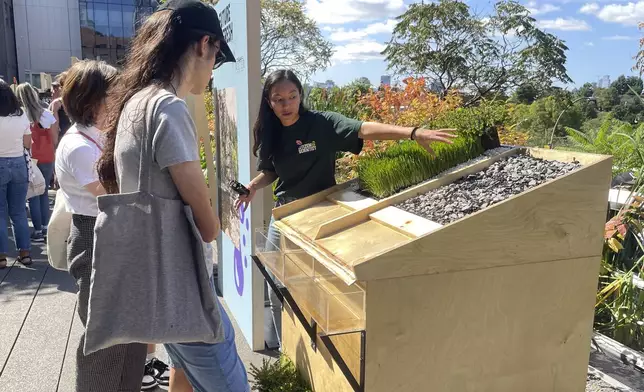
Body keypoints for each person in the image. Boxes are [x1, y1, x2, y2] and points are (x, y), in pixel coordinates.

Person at [235, 69, 456, 348]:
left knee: (318, 288)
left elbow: (362, 128)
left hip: (321, 214)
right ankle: (284, 350)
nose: (286, 105)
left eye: (292, 97)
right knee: (275, 283)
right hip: (284, 216)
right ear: (269, 102)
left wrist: (412, 133)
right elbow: (270, 170)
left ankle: (315, 353)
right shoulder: (272, 132)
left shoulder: (322, 124)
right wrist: (253, 186)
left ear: (300, 96)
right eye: (278, 99)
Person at [97, 1, 248, 391]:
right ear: (204, 45)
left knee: (183, 374)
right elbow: (208, 225)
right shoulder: (168, 108)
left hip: (157, 284)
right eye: (217, 54)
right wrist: (215, 215)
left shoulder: (136, 103)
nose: (214, 66)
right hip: (181, 287)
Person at [56, 59, 148, 392]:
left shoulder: (97, 136)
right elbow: (116, 194)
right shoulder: (78, 146)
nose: (121, 98)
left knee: (131, 335)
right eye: (115, 93)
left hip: (115, 234)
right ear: (91, 101)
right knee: (105, 340)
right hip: (97, 239)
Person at [15, 82, 57, 241]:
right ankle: (46, 228)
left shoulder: (20, 115)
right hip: (47, 155)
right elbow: (54, 136)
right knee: (44, 191)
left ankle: (38, 230)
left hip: (30, 158)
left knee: (33, 193)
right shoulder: (46, 114)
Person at [0, 79, 32, 268]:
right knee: (19, 212)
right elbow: (27, 143)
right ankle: (25, 253)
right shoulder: (21, 115)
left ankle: (2, 256)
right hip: (19, 163)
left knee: (0, 212)